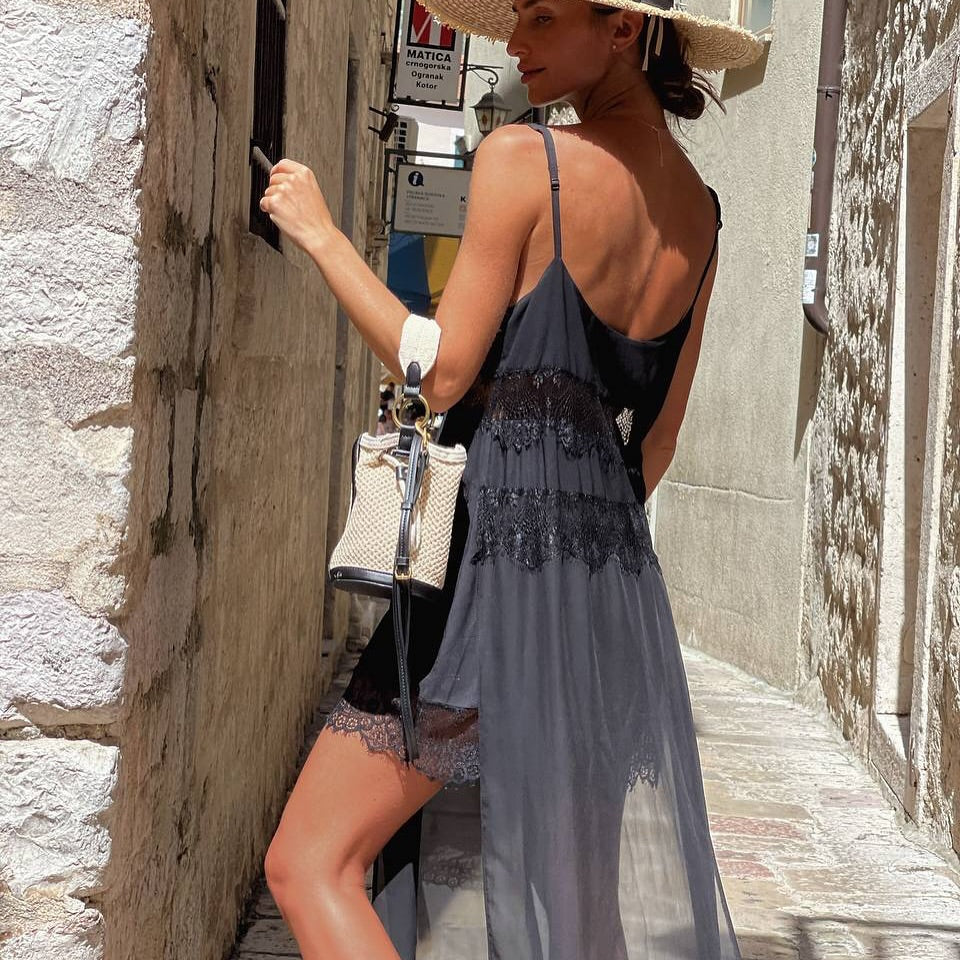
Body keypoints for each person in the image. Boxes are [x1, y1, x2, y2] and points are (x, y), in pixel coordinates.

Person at [257, 0, 764, 957]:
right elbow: (654, 446)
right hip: (609, 588)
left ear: (622, 29)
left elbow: (441, 372)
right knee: (578, 915)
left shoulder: (525, 158)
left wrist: (321, 234)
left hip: (490, 563)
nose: (514, 43)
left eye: (539, 17)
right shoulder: (701, 213)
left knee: (311, 863)